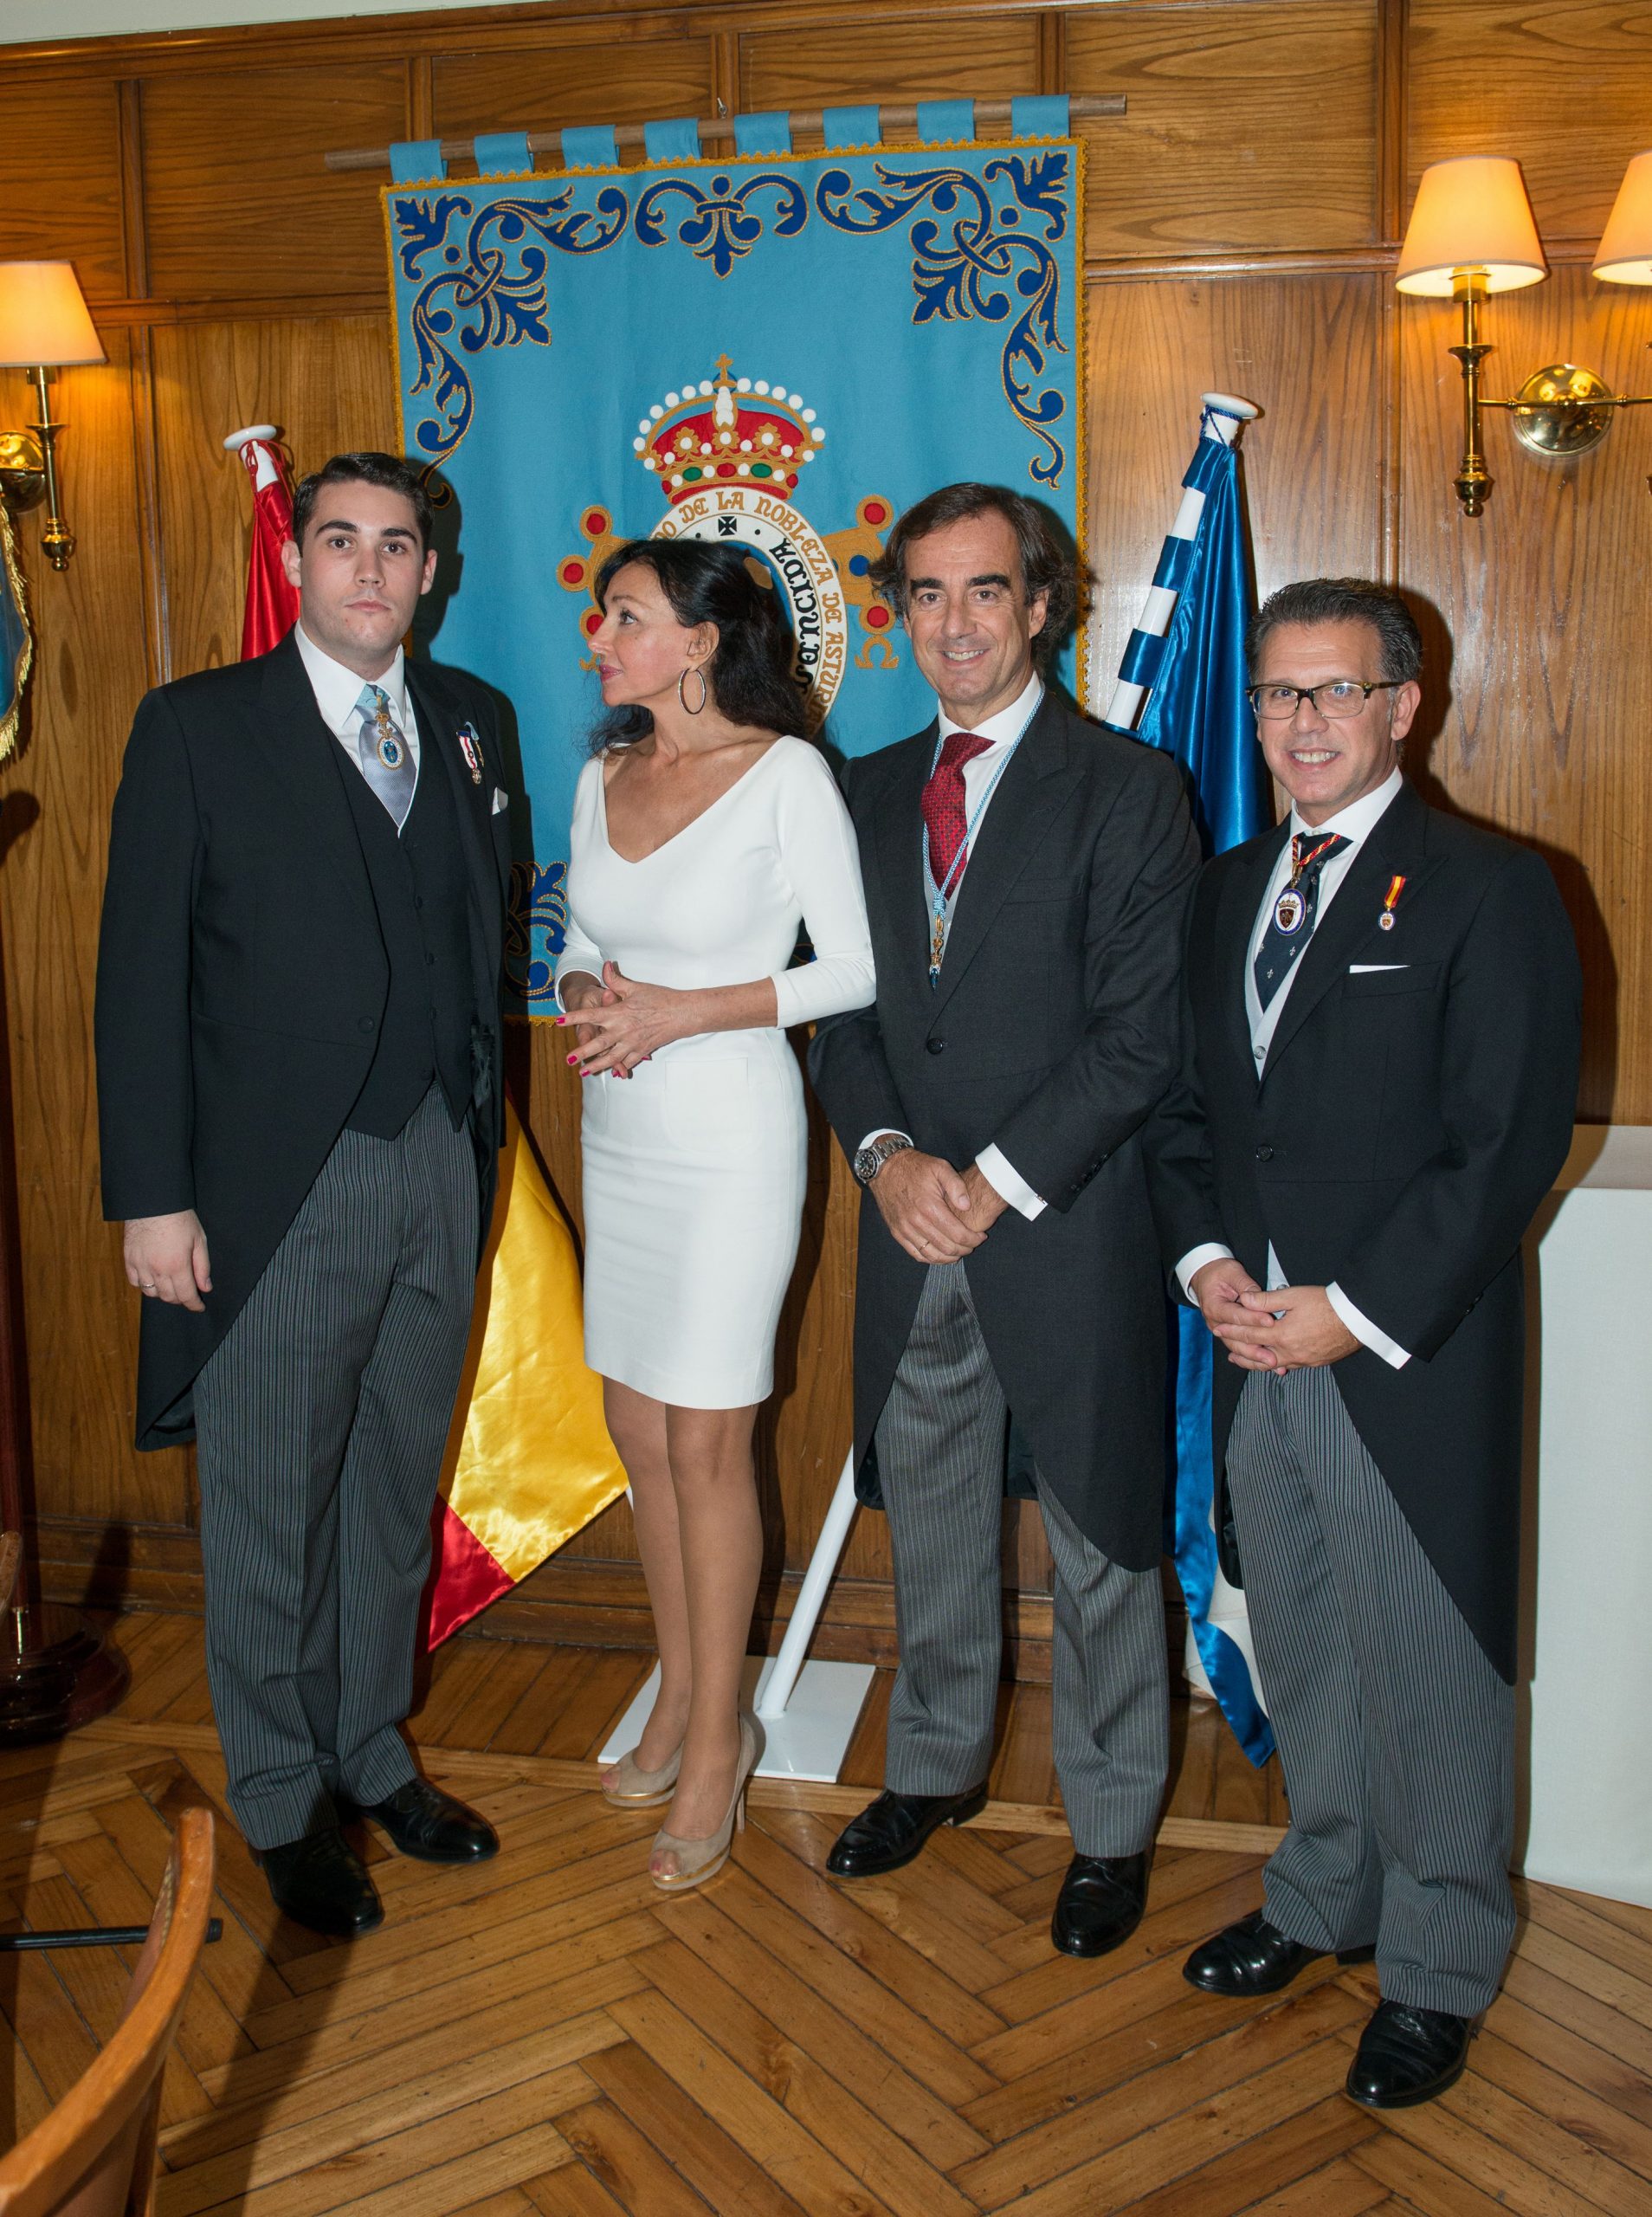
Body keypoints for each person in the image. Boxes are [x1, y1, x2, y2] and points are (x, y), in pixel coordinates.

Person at [1145, 577, 1581, 2108]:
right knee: (1312, 1644)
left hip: (1404, 1357)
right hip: (1254, 1344)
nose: (1298, 723)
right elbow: (1191, 1115)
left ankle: (1445, 1960)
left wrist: (1352, 1310)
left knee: (1432, 1666)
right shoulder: (1225, 889)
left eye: (1332, 693)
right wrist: (1205, 1267)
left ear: (1405, 707)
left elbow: (1502, 1141)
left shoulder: (1489, 887)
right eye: (1276, 695)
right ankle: (1323, 1896)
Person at [96, 451, 510, 1937]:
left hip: (438, 1171)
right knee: (270, 1510)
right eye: (341, 541)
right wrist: (154, 1199)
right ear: (301, 557)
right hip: (276, 1191)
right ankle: (278, 1796)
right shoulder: (198, 727)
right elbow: (138, 976)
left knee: (394, 1493)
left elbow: (472, 935)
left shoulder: (473, 724)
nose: (370, 571)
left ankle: (369, 1748)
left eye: (397, 548)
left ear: (428, 572)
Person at [807, 483, 1200, 1956]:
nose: (955, 624)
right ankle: (934, 1770)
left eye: (986, 593)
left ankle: (1110, 1828)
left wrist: (996, 1181)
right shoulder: (856, 789)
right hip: (910, 1232)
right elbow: (838, 1015)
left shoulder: (1129, 788)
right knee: (936, 1526)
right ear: (897, 614)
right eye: (926, 595)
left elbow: (1139, 1039)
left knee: (1104, 1534)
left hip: (1069, 1229)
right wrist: (894, 1157)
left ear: (1043, 605)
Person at [554, 539, 874, 1893]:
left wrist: (686, 1010)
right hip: (620, 1129)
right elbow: (576, 942)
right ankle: (682, 1691)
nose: (600, 640)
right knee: (638, 1428)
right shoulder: (601, 771)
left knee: (708, 1440)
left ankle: (717, 1745)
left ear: (696, 641)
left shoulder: (787, 774)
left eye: (624, 618)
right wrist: (589, 1000)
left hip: (734, 1137)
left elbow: (850, 972)